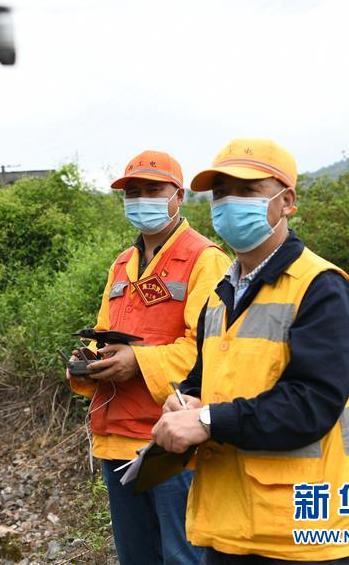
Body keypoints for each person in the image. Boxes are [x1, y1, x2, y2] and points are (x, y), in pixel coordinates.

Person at [152, 139, 349, 564]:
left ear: (286, 201)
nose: (229, 203)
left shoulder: (322, 287)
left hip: (304, 537)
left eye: (247, 190)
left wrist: (208, 420)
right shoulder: (221, 294)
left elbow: (312, 404)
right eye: (220, 193)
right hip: (229, 528)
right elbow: (205, 379)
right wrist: (185, 399)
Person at [68, 150, 230, 565]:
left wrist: (137, 361)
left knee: (182, 556)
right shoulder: (122, 263)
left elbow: (209, 347)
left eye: (152, 190)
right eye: (133, 191)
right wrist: (89, 361)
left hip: (170, 441)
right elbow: (105, 330)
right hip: (117, 436)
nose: (142, 198)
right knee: (136, 556)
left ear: (178, 195)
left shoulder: (205, 259)